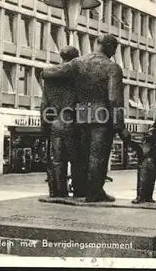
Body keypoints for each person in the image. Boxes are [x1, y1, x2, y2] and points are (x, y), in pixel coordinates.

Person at [41, 34, 131, 202]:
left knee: (83, 156)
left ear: (97, 43)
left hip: (81, 116)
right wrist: (120, 126)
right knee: (98, 156)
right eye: (115, 48)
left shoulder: (78, 63)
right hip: (101, 117)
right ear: (111, 47)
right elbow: (114, 99)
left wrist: (45, 72)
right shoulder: (112, 68)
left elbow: (48, 72)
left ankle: (82, 190)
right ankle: (94, 192)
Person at [41, 46, 80, 197]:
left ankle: (58, 191)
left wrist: (44, 126)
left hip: (56, 122)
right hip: (73, 121)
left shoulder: (50, 78)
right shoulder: (77, 76)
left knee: (57, 160)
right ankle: (78, 190)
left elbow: (44, 104)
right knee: (77, 159)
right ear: (76, 58)